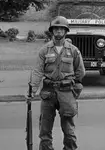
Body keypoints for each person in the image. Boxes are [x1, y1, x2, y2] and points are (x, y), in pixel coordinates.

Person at [27, 16, 85, 150]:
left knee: (69, 131)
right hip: (48, 92)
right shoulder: (44, 50)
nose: (58, 31)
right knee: (45, 131)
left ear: (66, 31)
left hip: (66, 92)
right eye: (56, 29)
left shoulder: (73, 50)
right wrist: (32, 91)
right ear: (52, 31)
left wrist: (75, 86)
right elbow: (38, 71)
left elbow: (80, 71)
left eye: (61, 29)